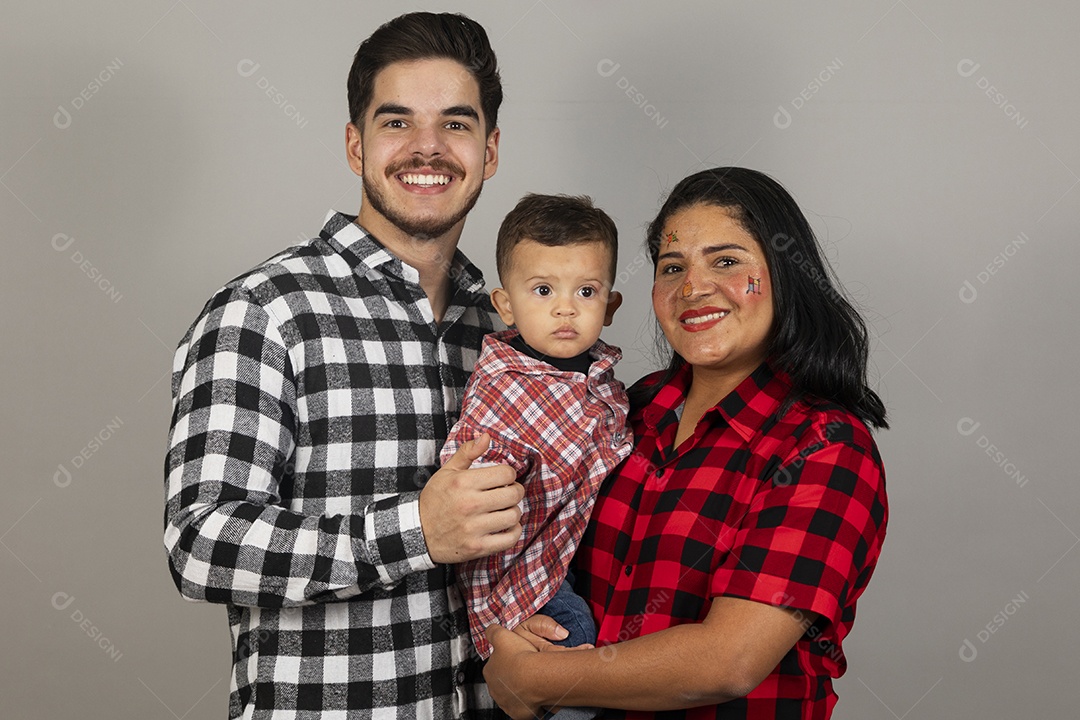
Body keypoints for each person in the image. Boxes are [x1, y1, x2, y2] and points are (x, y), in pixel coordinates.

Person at [164, 12, 522, 719]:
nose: (428, 148)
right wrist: (416, 530)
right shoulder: (265, 311)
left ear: (491, 148)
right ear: (356, 145)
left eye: (455, 123)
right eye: (397, 123)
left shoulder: (505, 330)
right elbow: (201, 543)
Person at [483, 167, 890, 719]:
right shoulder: (626, 409)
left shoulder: (825, 447)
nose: (693, 288)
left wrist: (536, 677)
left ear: (786, 273)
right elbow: (549, 545)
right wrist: (529, 624)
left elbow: (728, 661)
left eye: (726, 261)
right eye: (672, 268)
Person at [440, 194, 632, 674]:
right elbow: (470, 480)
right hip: (523, 570)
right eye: (543, 291)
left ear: (610, 305)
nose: (565, 309)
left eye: (586, 292)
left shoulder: (604, 381)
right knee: (573, 639)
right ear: (505, 305)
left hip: (579, 552)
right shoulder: (506, 384)